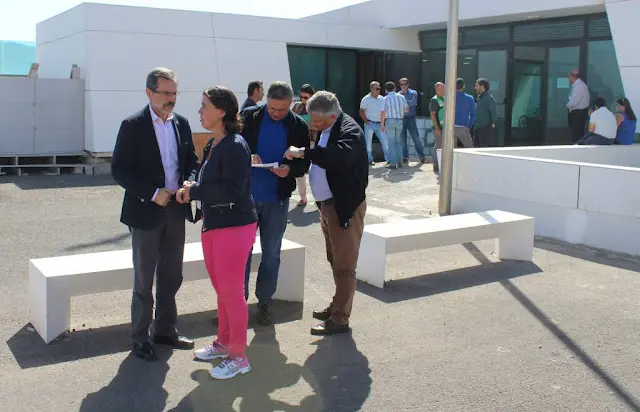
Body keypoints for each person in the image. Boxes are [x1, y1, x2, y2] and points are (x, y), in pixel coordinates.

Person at [111, 67, 199, 361]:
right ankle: (140, 337)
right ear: (149, 92)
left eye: (174, 93)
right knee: (144, 279)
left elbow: (192, 161)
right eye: (166, 93)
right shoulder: (133, 125)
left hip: (176, 209)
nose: (171, 99)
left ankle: (165, 330)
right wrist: (151, 192)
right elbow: (120, 169)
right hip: (145, 211)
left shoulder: (181, 123)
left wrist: (188, 183)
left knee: (172, 274)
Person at [180, 86, 257, 380]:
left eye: (204, 106)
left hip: (234, 226)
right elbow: (207, 178)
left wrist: (195, 191)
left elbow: (234, 190)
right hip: (215, 224)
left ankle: (238, 356)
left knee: (232, 293)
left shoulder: (235, 145)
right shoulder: (216, 142)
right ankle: (224, 343)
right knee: (223, 291)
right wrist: (193, 186)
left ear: (221, 111)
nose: (199, 111)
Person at [284, 91, 368, 336]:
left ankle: (339, 320)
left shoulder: (350, 131)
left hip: (344, 208)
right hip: (328, 206)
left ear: (332, 116)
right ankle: (337, 307)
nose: (314, 125)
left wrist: (304, 152)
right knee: (335, 261)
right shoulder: (330, 126)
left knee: (345, 267)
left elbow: (338, 157)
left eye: (318, 121)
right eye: (312, 120)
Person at [238, 81, 310, 325]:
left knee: (271, 254)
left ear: (291, 104)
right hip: (245, 199)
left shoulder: (298, 125)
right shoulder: (249, 117)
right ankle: (237, 304)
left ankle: (265, 302)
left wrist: (290, 170)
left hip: (277, 199)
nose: (276, 113)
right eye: (271, 108)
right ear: (266, 101)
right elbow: (229, 147)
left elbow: (304, 162)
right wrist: (246, 156)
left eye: (281, 109)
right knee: (241, 254)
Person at [292, 84, 316, 207]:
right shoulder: (297, 107)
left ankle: (320, 197)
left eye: (305, 97)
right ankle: (303, 197)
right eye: (301, 97)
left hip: (313, 142)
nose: (303, 100)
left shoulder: (317, 108)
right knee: (299, 171)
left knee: (315, 171)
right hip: (299, 142)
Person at [359, 81, 389, 165]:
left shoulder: (382, 99)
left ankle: (389, 159)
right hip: (370, 124)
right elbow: (361, 111)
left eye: (379, 88)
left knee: (385, 142)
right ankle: (369, 160)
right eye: (377, 89)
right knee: (368, 144)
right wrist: (366, 121)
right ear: (371, 89)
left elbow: (385, 111)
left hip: (380, 124)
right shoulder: (366, 99)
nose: (379, 90)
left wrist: (383, 122)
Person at [399, 77, 428, 163]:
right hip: (401, 119)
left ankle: (422, 157)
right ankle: (405, 157)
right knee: (402, 140)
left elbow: (413, 103)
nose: (403, 86)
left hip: (411, 119)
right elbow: (398, 106)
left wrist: (402, 104)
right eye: (401, 84)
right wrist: (405, 104)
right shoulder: (398, 94)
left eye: (405, 84)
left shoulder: (413, 93)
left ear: (408, 85)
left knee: (416, 138)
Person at [381, 81, 408, 169]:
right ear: (395, 88)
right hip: (400, 120)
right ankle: (400, 162)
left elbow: (383, 112)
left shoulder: (385, 98)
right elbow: (406, 109)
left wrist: (382, 124)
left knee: (391, 142)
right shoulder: (401, 97)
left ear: (386, 90)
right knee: (397, 142)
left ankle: (393, 163)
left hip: (390, 120)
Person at [566, 69, 591, 143]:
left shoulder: (578, 87)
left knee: (576, 133)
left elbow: (574, 101)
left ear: (572, 77)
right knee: (578, 132)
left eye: (569, 77)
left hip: (578, 114)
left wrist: (567, 105)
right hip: (580, 113)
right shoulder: (580, 85)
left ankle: (577, 147)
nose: (569, 79)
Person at [474, 78, 497, 148]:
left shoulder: (489, 98)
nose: (475, 88)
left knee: (483, 146)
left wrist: (493, 123)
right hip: (477, 127)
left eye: (477, 86)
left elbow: (493, 111)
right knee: (476, 146)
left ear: (482, 87)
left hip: (484, 127)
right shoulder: (479, 98)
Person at [453, 78, 476, 148]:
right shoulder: (470, 98)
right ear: (464, 86)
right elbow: (473, 115)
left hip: (451, 127)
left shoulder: (450, 98)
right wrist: (469, 126)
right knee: (469, 149)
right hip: (463, 128)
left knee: (451, 150)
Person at [429, 82, 445, 173]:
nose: (444, 90)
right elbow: (432, 114)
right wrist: (437, 128)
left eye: (444, 88)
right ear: (437, 89)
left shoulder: (444, 98)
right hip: (438, 127)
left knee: (438, 145)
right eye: (442, 88)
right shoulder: (434, 100)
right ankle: (436, 165)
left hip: (443, 127)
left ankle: (438, 164)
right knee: (438, 146)